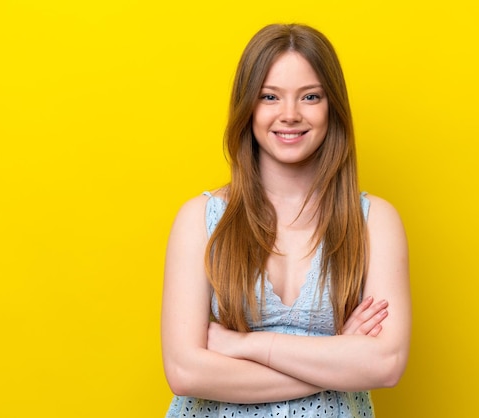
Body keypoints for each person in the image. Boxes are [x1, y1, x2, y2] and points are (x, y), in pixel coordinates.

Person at [161, 23, 410, 417]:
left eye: (310, 96)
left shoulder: (375, 221)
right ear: (248, 108)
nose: (290, 115)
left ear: (333, 107)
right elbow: (184, 372)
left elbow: (385, 364)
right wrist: (340, 355)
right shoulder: (201, 219)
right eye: (269, 97)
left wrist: (245, 345)